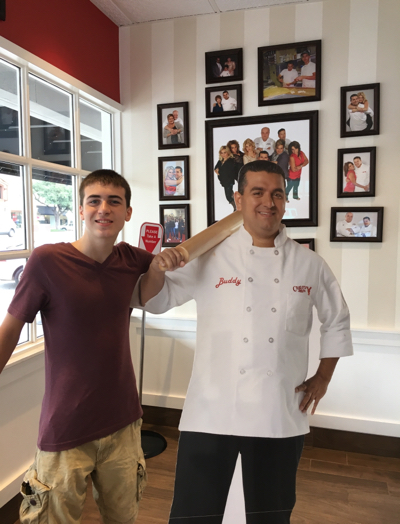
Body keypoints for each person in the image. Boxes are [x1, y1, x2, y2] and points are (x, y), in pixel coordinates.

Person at [135, 160, 353, 524]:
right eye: (258, 192)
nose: (268, 202)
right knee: (193, 514)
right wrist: (157, 268)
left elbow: (337, 319)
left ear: (285, 201)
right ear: (238, 199)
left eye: (277, 194)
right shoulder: (207, 256)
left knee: (271, 515)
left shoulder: (309, 264)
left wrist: (323, 378)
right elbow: (154, 301)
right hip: (211, 412)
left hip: (278, 414)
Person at [0, 170, 153, 523]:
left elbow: (175, 268)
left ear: (128, 212)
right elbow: (9, 330)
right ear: (81, 209)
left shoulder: (132, 260)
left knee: (124, 518)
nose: (104, 208)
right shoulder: (47, 262)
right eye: (94, 200)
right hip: (65, 427)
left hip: (123, 423)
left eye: (114, 201)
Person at [214, 145, 239, 210]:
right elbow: (215, 168)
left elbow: (227, 172)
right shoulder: (221, 160)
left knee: (228, 196)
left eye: (224, 152)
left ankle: (236, 207)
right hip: (223, 181)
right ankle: (236, 207)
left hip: (229, 181)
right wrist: (219, 171)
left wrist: (219, 172)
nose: (223, 154)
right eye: (221, 153)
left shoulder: (230, 161)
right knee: (230, 194)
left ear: (228, 152)